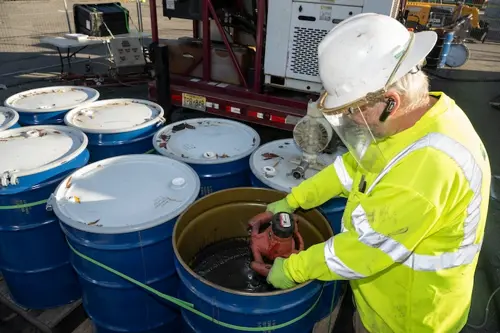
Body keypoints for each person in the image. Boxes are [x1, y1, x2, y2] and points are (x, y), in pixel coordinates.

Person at [258, 13, 491, 333]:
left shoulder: (427, 169)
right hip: (380, 297)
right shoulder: (417, 120)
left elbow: (362, 250)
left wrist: (292, 270)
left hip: (407, 317)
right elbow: (351, 169)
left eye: (352, 110)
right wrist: (293, 200)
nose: (352, 121)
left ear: (389, 102)